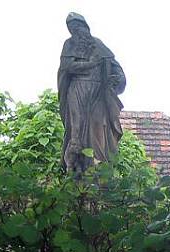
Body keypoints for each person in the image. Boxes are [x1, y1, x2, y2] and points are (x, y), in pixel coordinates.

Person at [57, 13, 126, 174]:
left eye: (77, 27)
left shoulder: (99, 45)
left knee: (98, 129)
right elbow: (66, 66)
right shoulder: (69, 44)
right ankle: (76, 168)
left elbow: (115, 66)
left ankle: (98, 168)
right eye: (72, 29)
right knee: (76, 129)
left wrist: (119, 77)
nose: (76, 31)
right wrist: (90, 64)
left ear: (85, 26)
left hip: (98, 95)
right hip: (77, 89)